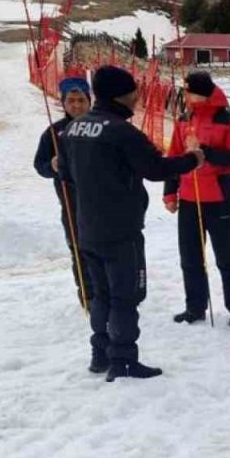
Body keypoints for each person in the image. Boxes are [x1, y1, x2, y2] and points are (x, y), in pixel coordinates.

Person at [61, 65, 204, 381]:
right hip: (120, 230)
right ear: (120, 95)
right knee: (126, 296)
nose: (138, 97)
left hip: (87, 228)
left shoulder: (74, 129)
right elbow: (155, 169)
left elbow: (67, 175)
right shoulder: (121, 131)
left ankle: (100, 354)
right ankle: (123, 360)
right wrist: (193, 158)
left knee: (101, 294)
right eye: (133, 92)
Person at [164, 71, 230, 328]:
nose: (186, 94)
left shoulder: (228, 120)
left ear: (202, 92)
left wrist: (205, 152)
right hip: (190, 197)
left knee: (227, 256)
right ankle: (195, 307)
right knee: (190, 257)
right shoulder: (183, 119)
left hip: (219, 197)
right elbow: (174, 159)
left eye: (189, 90)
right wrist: (170, 192)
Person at [33, 75, 91, 307]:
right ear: (64, 103)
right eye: (71, 101)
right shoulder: (54, 133)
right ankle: (88, 297)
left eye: (81, 100)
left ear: (89, 101)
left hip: (103, 203)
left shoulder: (103, 126)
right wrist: (52, 167)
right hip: (71, 203)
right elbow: (40, 166)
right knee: (79, 249)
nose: (76, 105)